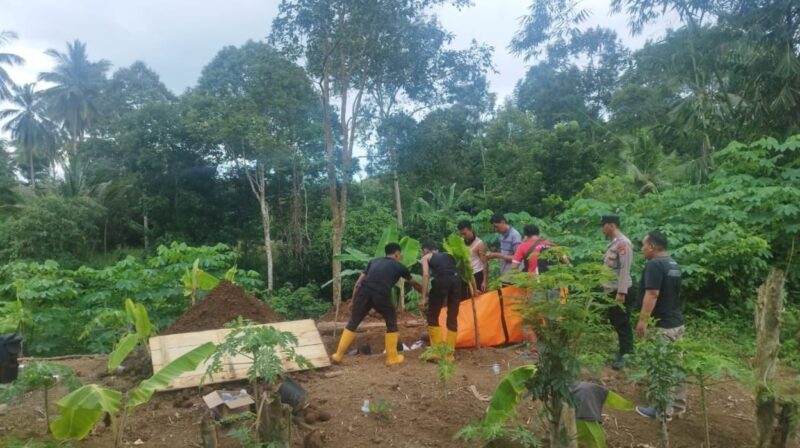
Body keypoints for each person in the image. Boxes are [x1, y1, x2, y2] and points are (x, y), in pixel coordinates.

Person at [330, 243, 422, 367]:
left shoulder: (373, 261)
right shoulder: (399, 266)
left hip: (364, 292)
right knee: (391, 322)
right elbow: (414, 284)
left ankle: (338, 355)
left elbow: (358, 282)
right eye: (399, 255)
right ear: (397, 254)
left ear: (385, 253)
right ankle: (392, 358)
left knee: (353, 322)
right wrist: (425, 293)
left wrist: (353, 300)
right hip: (381, 293)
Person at [633, 230, 686, 420]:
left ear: (652, 246)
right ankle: (678, 406)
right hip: (676, 322)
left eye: (643, 245)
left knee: (662, 365)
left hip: (662, 324)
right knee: (676, 365)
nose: (642, 248)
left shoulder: (654, 264)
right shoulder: (673, 263)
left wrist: (642, 321)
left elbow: (653, 294)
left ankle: (661, 410)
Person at [418, 240, 466, 361]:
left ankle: (437, 353)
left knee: (432, 316)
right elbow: (464, 268)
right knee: (452, 317)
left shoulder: (426, 257)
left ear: (425, 250)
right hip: (456, 280)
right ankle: (449, 355)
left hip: (442, 280)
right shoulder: (449, 255)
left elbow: (425, 275)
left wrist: (423, 297)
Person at [600, 215, 634, 370]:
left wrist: (621, 292)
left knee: (622, 323)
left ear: (611, 226)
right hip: (611, 289)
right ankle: (622, 350)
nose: (602, 229)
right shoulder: (613, 244)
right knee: (615, 320)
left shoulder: (623, 244)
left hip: (619, 291)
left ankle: (627, 355)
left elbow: (624, 269)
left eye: (603, 226)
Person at [457, 220, 488, 294]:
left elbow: (485, 263)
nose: (463, 236)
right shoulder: (461, 241)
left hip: (477, 274)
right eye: (461, 234)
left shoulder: (479, 243)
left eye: (465, 233)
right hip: (465, 276)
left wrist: (485, 281)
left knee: (479, 298)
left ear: (470, 229)